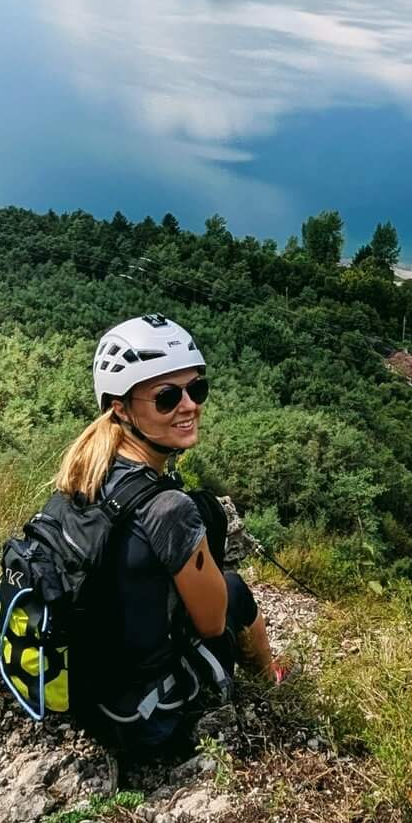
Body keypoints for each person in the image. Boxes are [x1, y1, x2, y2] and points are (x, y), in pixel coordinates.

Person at [56, 314, 274, 759]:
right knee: (233, 588)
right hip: (147, 722)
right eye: (167, 396)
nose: (190, 405)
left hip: (90, 699)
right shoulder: (169, 509)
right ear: (121, 407)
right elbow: (213, 623)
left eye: (197, 389)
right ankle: (271, 674)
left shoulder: (85, 473)